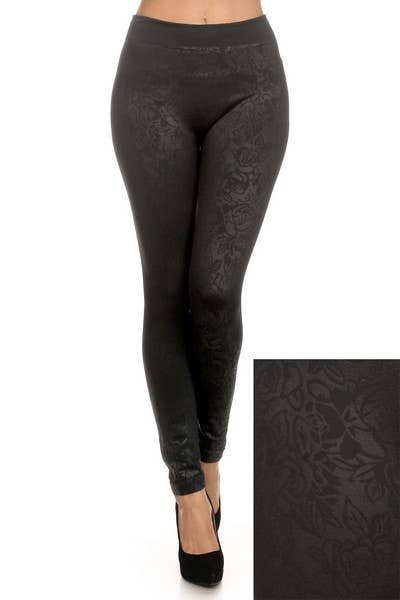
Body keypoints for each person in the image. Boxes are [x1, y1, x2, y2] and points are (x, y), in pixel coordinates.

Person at [110, 0, 289, 586]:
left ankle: (210, 457)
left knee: (214, 290)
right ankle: (189, 492)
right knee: (166, 293)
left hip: (251, 77)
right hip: (152, 74)